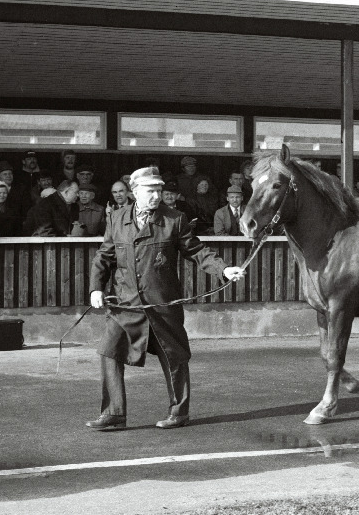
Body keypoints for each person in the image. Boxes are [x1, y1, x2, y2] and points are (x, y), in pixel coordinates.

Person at [86, 166, 245, 431]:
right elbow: (104, 255)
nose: (157, 196)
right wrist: (96, 288)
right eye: (151, 191)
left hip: (162, 303)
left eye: (159, 191)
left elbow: (197, 251)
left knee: (174, 356)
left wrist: (223, 269)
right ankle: (113, 413)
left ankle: (179, 412)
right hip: (126, 304)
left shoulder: (175, 219)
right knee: (109, 351)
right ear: (135, 191)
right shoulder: (116, 217)